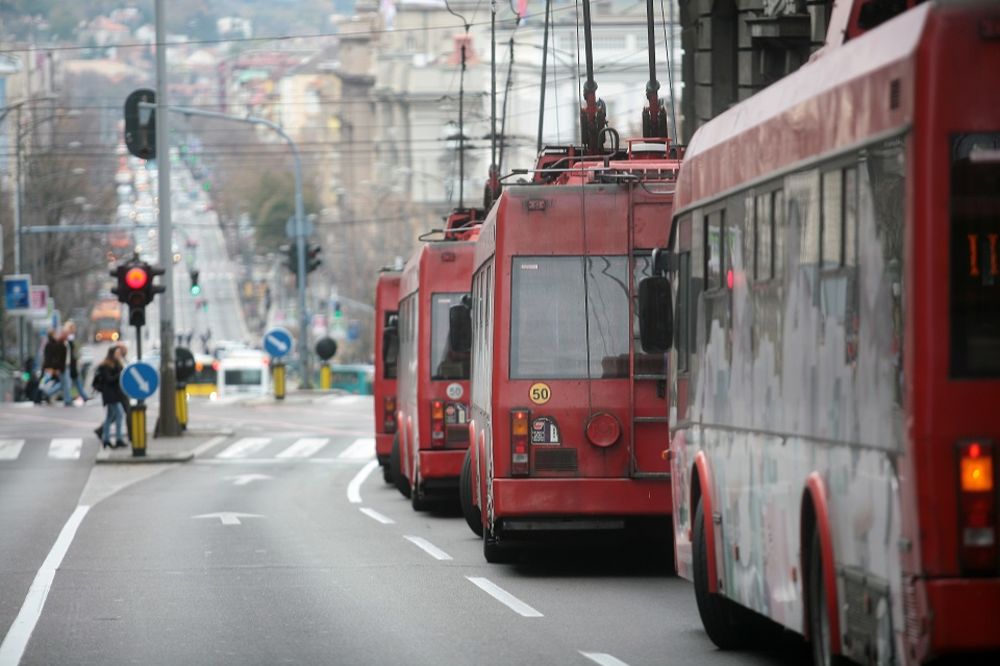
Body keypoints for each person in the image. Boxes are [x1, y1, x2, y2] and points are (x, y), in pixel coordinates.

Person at [93, 345, 128, 448]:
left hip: (116, 394)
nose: (119, 355)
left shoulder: (118, 364)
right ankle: (118, 439)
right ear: (112, 354)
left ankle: (106, 439)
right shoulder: (106, 366)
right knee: (119, 415)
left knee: (110, 417)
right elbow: (109, 380)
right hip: (110, 395)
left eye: (119, 353)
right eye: (117, 353)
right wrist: (120, 374)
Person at [62, 321, 90, 405]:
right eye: (72, 328)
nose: (74, 329)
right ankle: (68, 399)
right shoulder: (68, 338)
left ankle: (82, 396)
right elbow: (69, 352)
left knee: (74, 381)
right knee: (66, 383)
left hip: (71, 363)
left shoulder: (70, 338)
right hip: (68, 364)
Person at [38, 330, 67, 404]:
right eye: (55, 334)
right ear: (52, 335)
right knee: (48, 383)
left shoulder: (51, 344)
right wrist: (50, 368)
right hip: (49, 368)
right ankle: (46, 394)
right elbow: (49, 357)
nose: (57, 335)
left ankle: (46, 395)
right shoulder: (51, 344)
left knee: (48, 383)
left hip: (49, 368)